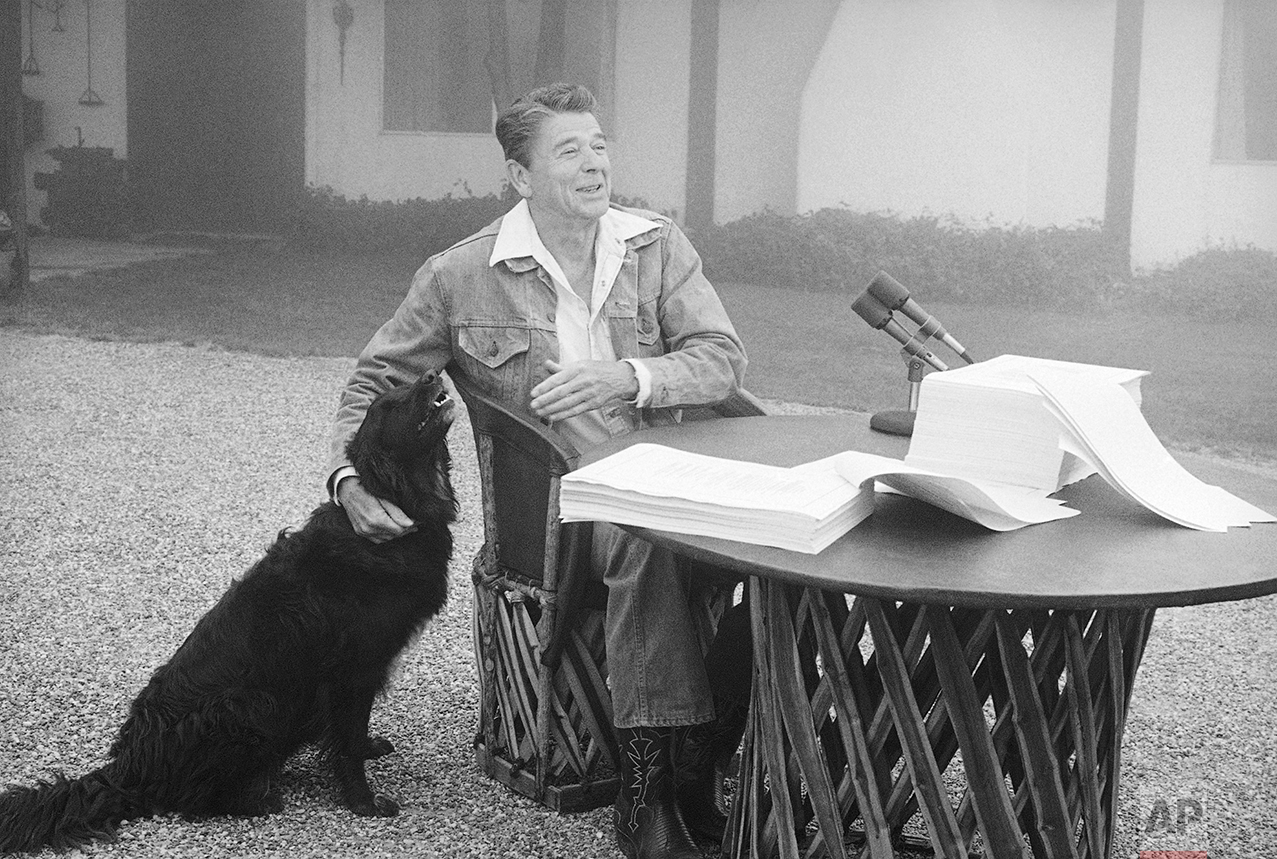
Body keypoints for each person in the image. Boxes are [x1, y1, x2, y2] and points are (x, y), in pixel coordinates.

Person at [327, 83, 747, 859]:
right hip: (560, 501)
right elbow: (373, 383)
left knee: (779, 548)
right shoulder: (460, 274)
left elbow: (721, 360)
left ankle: (709, 757)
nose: (594, 164)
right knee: (644, 537)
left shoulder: (656, 246)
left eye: (598, 145)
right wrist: (346, 481)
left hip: (674, 470)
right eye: (569, 150)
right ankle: (648, 790)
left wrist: (629, 377)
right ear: (520, 177)